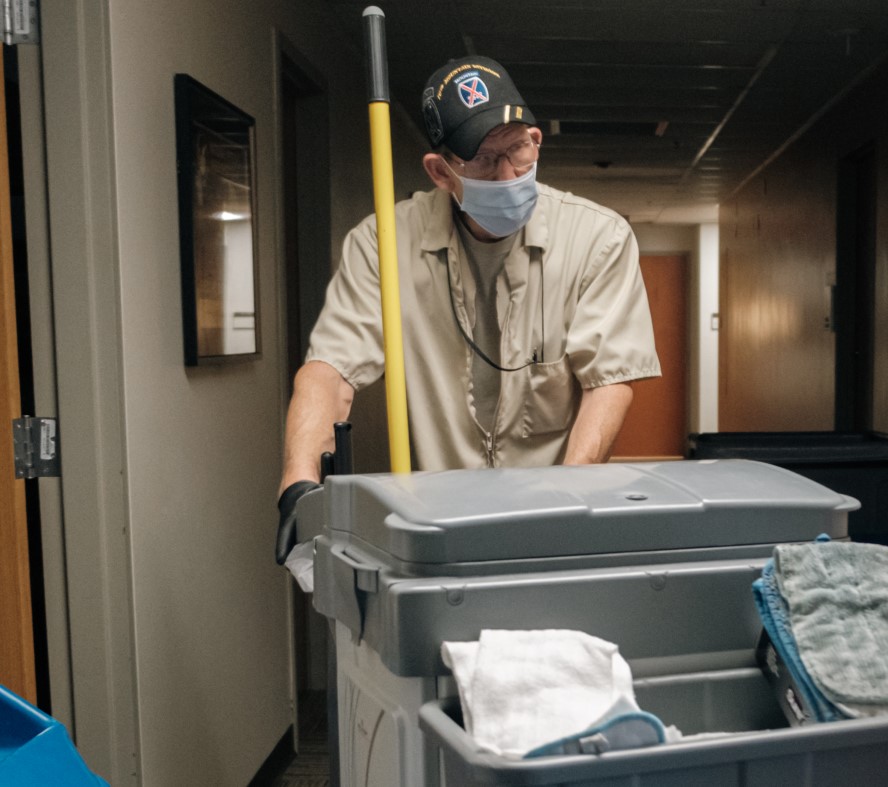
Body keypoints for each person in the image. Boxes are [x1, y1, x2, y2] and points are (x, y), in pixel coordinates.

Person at [276, 56, 660, 556]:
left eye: (517, 149)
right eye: (482, 159)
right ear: (441, 171)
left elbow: (609, 382)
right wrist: (299, 485)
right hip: (434, 522)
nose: (507, 175)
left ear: (536, 141)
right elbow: (330, 371)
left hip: (556, 513)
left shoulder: (598, 238)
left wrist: (570, 503)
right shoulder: (383, 244)